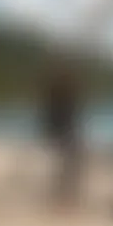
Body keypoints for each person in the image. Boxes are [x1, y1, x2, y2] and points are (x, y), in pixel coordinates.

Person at [39, 64, 84, 209]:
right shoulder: (62, 94)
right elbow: (66, 115)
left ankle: (63, 195)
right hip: (64, 131)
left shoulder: (56, 93)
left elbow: (53, 115)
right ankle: (64, 196)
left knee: (67, 164)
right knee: (70, 164)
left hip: (61, 130)